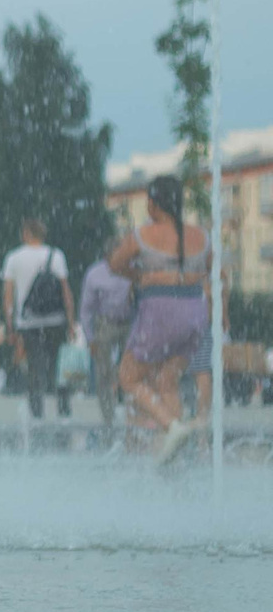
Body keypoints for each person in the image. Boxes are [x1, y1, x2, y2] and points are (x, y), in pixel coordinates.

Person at [108, 174, 214, 461]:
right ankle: (174, 455)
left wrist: (141, 275)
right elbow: (210, 269)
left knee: (128, 378)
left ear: (154, 204)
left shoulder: (144, 233)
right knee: (168, 380)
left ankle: (172, 427)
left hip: (160, 311)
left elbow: (115, 263)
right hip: (194, 312)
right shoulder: (201, 235)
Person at [0, 218, 76, 429]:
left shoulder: (14, 258)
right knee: (58, 366)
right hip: (55, 319)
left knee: (34, 366)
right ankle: (64, 412)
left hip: (28, 321)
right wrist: (70, 321)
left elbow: (8, 295)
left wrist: (10, 324)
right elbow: (65, 291)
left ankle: (37, 414)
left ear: (26, 233)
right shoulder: (56, 255)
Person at [80, 253, 135, 432]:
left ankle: (132, 414)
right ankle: (108, 417)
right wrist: (90, 338)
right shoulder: (95, 274)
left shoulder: (133, 269)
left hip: (130, 321)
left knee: (133, 370)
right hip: (105, 322)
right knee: (102, 371)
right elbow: (87, 308)